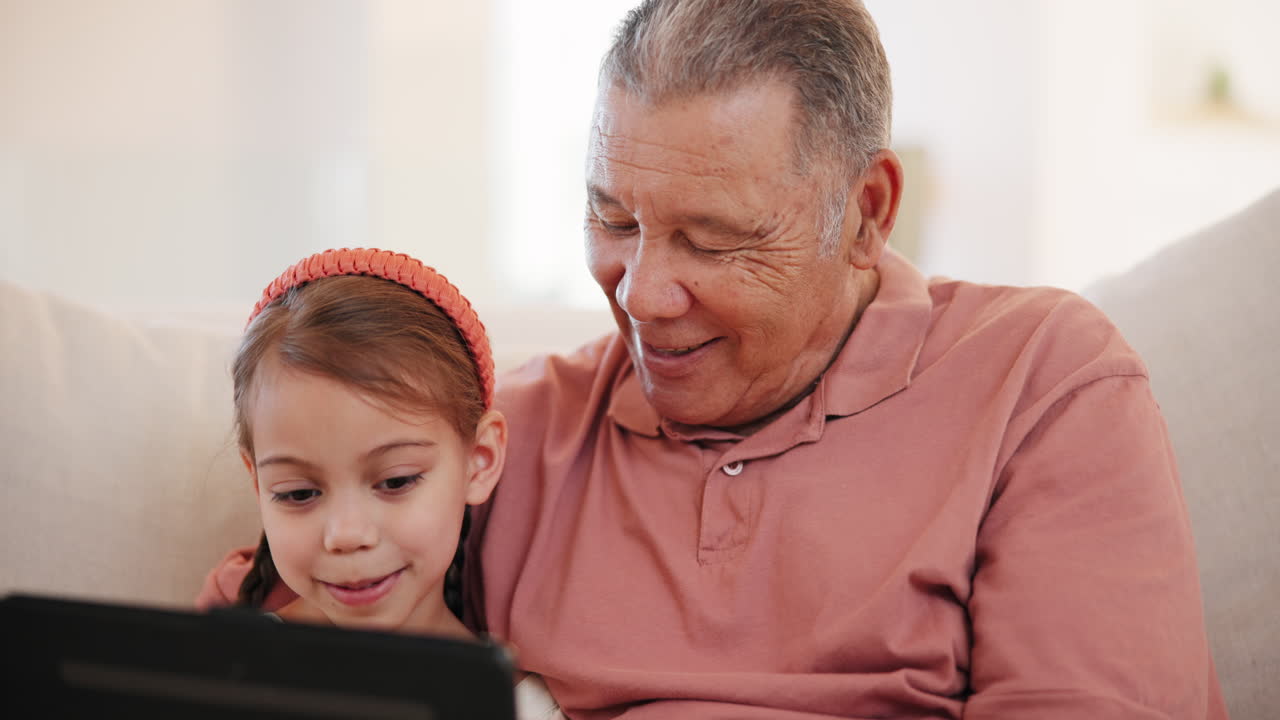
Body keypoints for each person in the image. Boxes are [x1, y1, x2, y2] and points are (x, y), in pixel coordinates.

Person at [204, 1, 1226, 717]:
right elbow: (252, 634)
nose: (641, 295)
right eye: (613, 219)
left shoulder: (1041, 381)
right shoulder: (509, 434)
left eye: (713, 240)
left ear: (865, 214)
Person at [195, 247, 562, 720]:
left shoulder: (519, 708)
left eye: (395, 482)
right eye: (299, 493)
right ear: (258, 484)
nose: (347, 535)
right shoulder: (216, 672)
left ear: (479, 461)